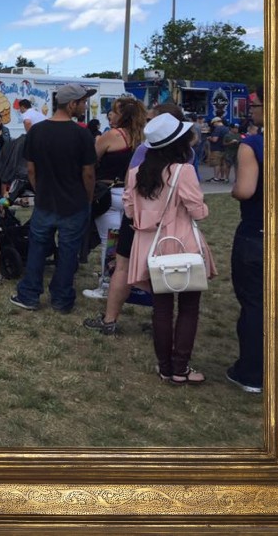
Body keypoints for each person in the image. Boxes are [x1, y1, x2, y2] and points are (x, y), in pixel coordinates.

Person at [123, 112, 217, 384]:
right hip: (181, 244)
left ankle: (165, 366)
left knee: (161, 308)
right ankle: (180, 367)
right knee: (188, 307)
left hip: (151, 247)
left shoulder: (135, 174)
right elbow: (198, 212)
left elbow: (130, 210)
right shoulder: (182, 171)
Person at [83, 103, 191, 336]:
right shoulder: (187, 156)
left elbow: (130, 189)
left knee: (123, 267)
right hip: (170, 223)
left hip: (139, 220)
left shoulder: (143, 151)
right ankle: (160, 323)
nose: (148, 123)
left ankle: (110, 320)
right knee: (163, 271)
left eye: (153, 119)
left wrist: (132, 215)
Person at [10, 83, 97, 313]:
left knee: (38, 248)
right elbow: (88, 173)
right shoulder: (82, 134)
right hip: (74, 202)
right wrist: (87, 199)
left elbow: (31, 170)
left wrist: (41, 190)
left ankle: (29, 295)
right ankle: (61, 299)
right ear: (72, 104)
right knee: (68, 252)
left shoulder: (36, 132)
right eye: (83, 102)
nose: (84, 105)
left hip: (45, 201)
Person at [84, 96, 147, 299]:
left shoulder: (113, 135)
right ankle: (126, 280)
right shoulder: (142, 138)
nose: (110, 114)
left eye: (113, 111)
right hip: (131, 194)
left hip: (108, 194)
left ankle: (106, 285)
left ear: (122, 115)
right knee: (126, 243)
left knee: (109, 242)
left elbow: (90, 160)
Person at [227, 86, 264, 394]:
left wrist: (234, 189)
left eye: (255, 105)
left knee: (254, 304)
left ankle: (251, 374)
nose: (251, 110)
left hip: (258, 233)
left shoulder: (252, 145)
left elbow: (246, 190)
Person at [206, 116, 227, 181]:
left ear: (216, 122)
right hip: (225, 148)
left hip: (216, 148)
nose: (213, 125)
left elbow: (215, 139)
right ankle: (222, 177)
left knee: (217, 164)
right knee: (223, 164)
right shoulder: (226, 128)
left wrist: (209, 138)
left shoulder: (217, 129)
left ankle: (216, 177)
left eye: (213, 123)